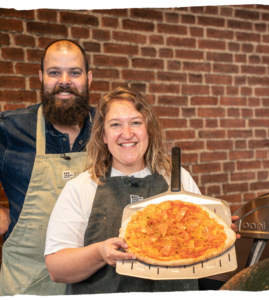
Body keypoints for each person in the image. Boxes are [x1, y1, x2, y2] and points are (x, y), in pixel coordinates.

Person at [45, 86, 239, 294]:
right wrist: (100, 252)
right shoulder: (81, 188)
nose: (127, 134)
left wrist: (213, 235)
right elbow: (57, 269)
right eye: (116, 125)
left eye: (136, 123)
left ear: (149, 129)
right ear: (103, 135)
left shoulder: (177, 177)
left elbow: (202, 247)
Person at [0, 39, 94, 295]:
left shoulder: (108, 127)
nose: (65, 81)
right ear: (41, 77)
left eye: (74, 72)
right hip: (28, 283)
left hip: (97, 282)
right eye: (54, 72)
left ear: (89, 77)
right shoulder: (10, 130)